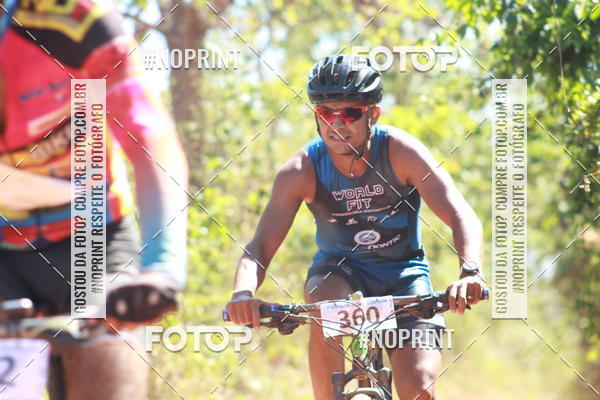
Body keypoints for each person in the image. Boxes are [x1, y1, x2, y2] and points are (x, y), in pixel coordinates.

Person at [226, 54, 486, 399]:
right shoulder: (301, 170)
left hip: (404, 275)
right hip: (340, 271)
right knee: (321, 297)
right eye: (325, 113)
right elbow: (260, 245)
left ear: (373, 114)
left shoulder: (401, 153)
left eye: (349, 113)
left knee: (420, 389)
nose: (337, 123)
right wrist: (243, 293)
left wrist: (470, 272)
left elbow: (460, 213)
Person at [0, 0, 188, 398]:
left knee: (108, 364)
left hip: (92, 237)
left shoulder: (74, 21)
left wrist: (162, 267)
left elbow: (149, 135)